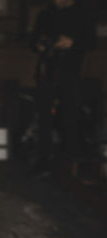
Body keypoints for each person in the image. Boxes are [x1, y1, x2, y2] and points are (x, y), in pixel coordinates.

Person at [30, 0, 96, 175]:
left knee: (70, 114)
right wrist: (40, 44)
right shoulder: (45, 14)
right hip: (47, 72)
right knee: (43, 116)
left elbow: (92, 41)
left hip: (72, 73)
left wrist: (72, 43)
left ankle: (70, 160)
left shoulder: (83, 13)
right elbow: (33, 41)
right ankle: (44, 159)